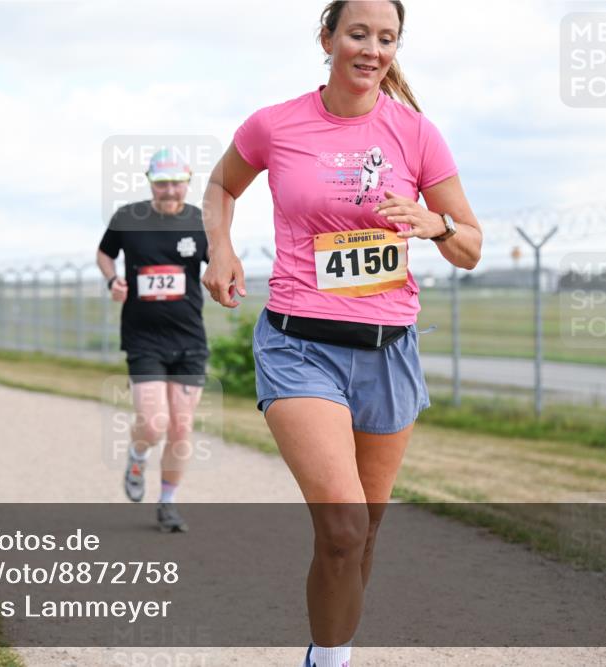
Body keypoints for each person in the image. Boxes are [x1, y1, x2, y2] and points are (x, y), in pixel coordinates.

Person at [200, 2, 483, 665]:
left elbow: (470, 245)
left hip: (388, 353)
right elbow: (220, 185)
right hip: (299, 345)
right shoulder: (275, 125)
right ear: (326, 38)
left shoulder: (416, 133)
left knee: (365, 532)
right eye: (359, 34)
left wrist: (432, 224)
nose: (373, 49)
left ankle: (329, 651)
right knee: (343, 525)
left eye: (388, 38)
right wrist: (221, 248)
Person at [97, 148, 209, 533]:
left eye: (177, 182)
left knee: (181, 428)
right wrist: (114, 280)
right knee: (153, 422)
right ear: (150, 182)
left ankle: (167, 502)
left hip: (190, 339)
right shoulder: (128, 217)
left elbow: (221, 260)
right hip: (143, 338)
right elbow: (104, 254)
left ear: (188, 181)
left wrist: (228, 281)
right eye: (162, 183)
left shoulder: (200, 221)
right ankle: (136, 452)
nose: (170, 190)